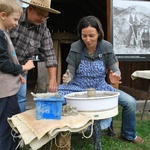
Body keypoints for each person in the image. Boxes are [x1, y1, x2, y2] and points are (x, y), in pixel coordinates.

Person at [58, 16, 144, 144]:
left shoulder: (105, 47)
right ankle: (60, 133)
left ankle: (129, 134)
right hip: (78, 85)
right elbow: (71, 71)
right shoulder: (76, 46)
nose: (87, 39)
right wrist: (67, 77)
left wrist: (116, 76)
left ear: (99, 33)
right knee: (55, 99)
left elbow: (115, 69)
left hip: (100, 86)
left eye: (91, 35)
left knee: (130, 102)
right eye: (84, 35)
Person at [9, 0, 61, 112]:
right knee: (5, 100)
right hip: (4, 67)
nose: (42, 19)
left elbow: (50, 54)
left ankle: (19, 127)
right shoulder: (13, 17)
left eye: (45, 17)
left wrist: (52, 79)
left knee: (21, 99)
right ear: (30, 9)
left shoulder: (43, 30)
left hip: (22, 71)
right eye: (40, 14)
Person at [0, 0, 35, 149]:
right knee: (6, 128)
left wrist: (15, 75)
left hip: (8, 90)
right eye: (15, 19)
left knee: (11, 125)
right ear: (3, 15)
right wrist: (22, 68)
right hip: (4, 94)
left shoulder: (4, 34)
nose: (16, 24)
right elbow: (2, 63)